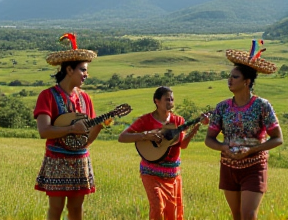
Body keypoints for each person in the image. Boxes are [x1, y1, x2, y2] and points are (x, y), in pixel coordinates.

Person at [205, 42, 283, 220]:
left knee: (248, 215)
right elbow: (209, 139)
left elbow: (278, 139)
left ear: (247, 82)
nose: (229, 80)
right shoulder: (222, 107)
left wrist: (251, 150)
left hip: (254, 166)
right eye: (230, 76)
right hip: (229, 166)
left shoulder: (261, 105)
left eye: (235, 77)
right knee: (237, 215)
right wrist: (224, 148)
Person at [34, 33, 104, 220]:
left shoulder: (85, 98)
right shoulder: (47, 96)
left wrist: (99, 127)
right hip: (57, 160)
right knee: (56, 209)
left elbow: (85, 140)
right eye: (82, 70)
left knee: (76, 210)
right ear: (69, 70)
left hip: (80, 159)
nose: (86, 75)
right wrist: (71, 129)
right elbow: (44, 131)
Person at [118, 86, 209, 220]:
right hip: (150, 173)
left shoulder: (178, 121)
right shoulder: (145, 120)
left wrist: (196, 127)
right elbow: (122, 137)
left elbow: (182, 145)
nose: (170, 102)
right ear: (157, 101)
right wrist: (145, 135)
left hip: (172, 175)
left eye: (172, 99)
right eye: (167, 99)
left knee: (172, 213)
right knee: (157, 206)